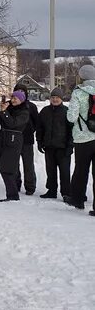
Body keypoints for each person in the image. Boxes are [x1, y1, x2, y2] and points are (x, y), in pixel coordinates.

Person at [66, 64, 95, 213]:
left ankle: (77, 200)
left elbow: (71, 117)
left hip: (83, 138)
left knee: (81, 170)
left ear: (81, 76)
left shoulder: (78, 92)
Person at [0, 91, 29, 202]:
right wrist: (1, 110)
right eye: (12, 98)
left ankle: (13, 194)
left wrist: (4, 112)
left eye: (16, 98)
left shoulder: (24, 112)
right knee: (6, 167)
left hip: (14, 141)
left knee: (7, 168)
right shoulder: (8, 108)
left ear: (22, 100)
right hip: (3, 139)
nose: (13, 100)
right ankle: (13, 192)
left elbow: (13, 124)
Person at [37, 88, 72, 200]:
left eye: (57, 98)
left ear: (61, 99)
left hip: (63, 147)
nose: (55, 99)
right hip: (49, 146)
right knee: (50, 171)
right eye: (53, 97)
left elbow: (72, 131)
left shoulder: (67, 111)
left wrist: (70, 146)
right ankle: (51, 191)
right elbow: (40, 128)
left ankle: (66, 193)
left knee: (64, 172)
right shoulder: (45, 111)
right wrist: (39, 141)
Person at [13, 83, 39, 195]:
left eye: (22, 91)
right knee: (14, 164)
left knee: (28, 164)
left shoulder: (31, 106)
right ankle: (15, 184)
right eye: (17, 90)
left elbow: (37, 122)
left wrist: (31, 130)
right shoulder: (11, 105)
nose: (20, 93)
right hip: (13, 140)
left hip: (27, 139)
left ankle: (30, 186)